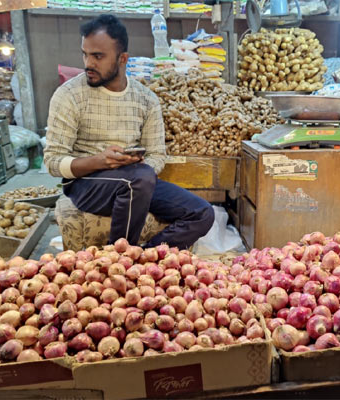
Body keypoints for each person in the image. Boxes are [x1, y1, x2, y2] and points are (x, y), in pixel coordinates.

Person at [44, 14, 214, 249]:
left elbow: (157, 155)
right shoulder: (69, 95)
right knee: (137, 179)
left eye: (98, 56)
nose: (88, 63)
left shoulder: (145, 99)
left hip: (136, 182)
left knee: (202, 213)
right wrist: (101, 161)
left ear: (123, 58)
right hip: (86, 183)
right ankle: (118, 257)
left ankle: (144, 257)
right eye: (85, 54)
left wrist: (133, 165)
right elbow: (53, 161)